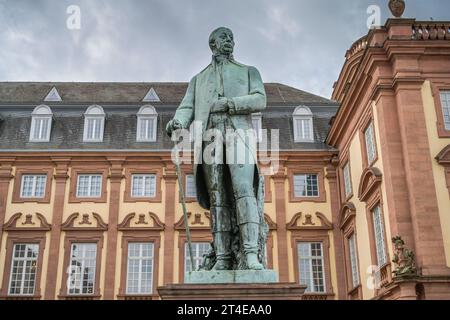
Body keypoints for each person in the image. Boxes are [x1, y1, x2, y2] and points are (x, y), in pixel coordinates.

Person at [166, 27, 267, 270]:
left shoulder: (248, 71)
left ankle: (251, 253)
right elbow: (186, 107)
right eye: (224, 38)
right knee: (218, 198)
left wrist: (231, 103)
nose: (229, 41)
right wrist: (178, 121)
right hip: (209, 137)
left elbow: (260, 99)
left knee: (244, 191)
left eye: (232, 37)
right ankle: (222, 257)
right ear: (212, 43)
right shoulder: (198, 80)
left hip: (237, 133)